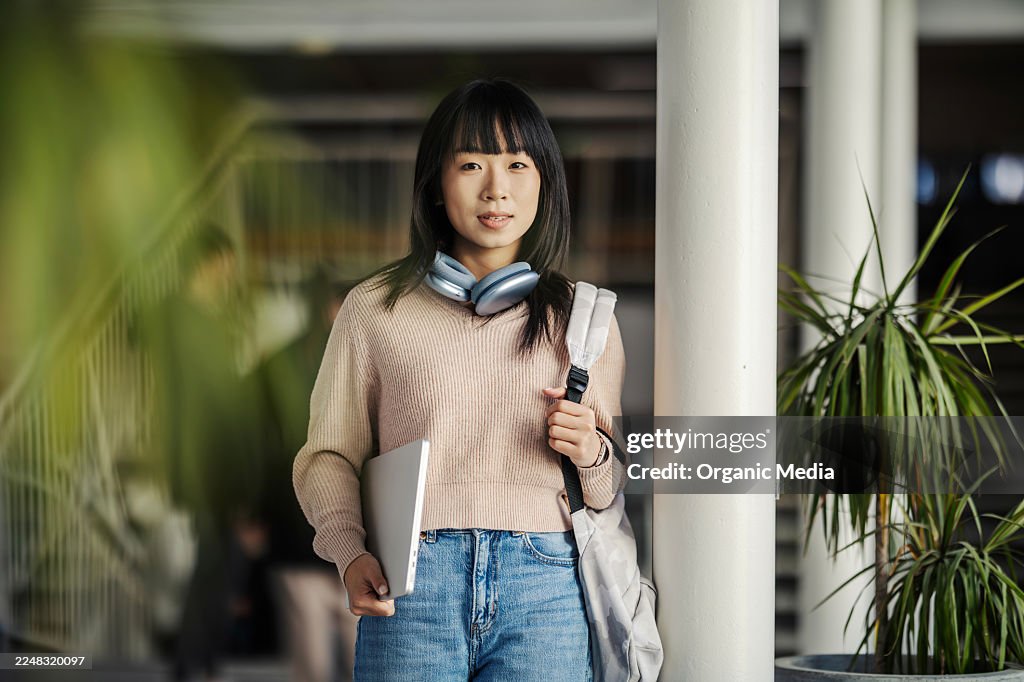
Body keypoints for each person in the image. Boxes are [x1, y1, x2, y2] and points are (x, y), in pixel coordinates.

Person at [293, 79, 625, 682]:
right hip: (413, 585)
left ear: (544, 182)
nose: (496, 188)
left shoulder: (584, 318)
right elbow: (327, 456)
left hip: (546, 589)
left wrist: (590, 450)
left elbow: (604, 491)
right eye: (472, 163)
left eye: (518, 165)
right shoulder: (374, 308)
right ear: (436, 184)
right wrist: (349, 552)